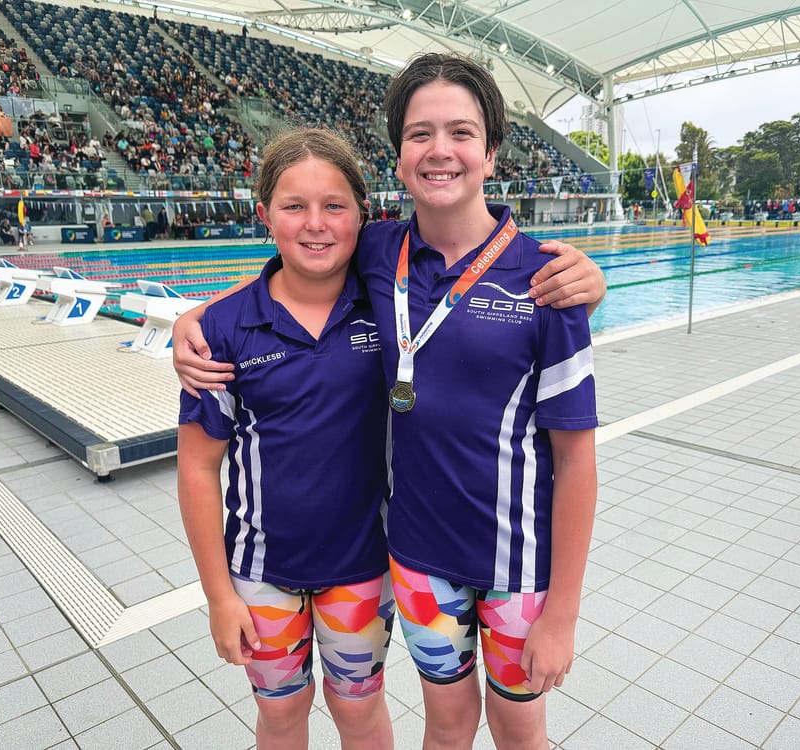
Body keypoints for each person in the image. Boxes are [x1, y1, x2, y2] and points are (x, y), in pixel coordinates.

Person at [174, 55, 604, 749]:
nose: (440, 150)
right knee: (448, 722)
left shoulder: (547, 283)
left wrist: (564, 614)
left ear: (491, 152)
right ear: (399, 159)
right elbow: (285, 276)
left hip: (517, 567)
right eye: (420, 134)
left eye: (461, 132)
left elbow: (577, 462)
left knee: (522, 728)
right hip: (416, 560)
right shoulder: (377, 251)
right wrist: (185, 323)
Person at [177, 128, 395, 750]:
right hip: (258, 573)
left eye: (334, 206)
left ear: (362, 213)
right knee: (280, 713)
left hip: (362, 565)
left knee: (359, 711)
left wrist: (587, 284)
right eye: (294, 206)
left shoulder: (387, 307)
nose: (315, 224)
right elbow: (197, 470)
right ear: (265, 214)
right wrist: (219, 595)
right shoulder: (220, 332)